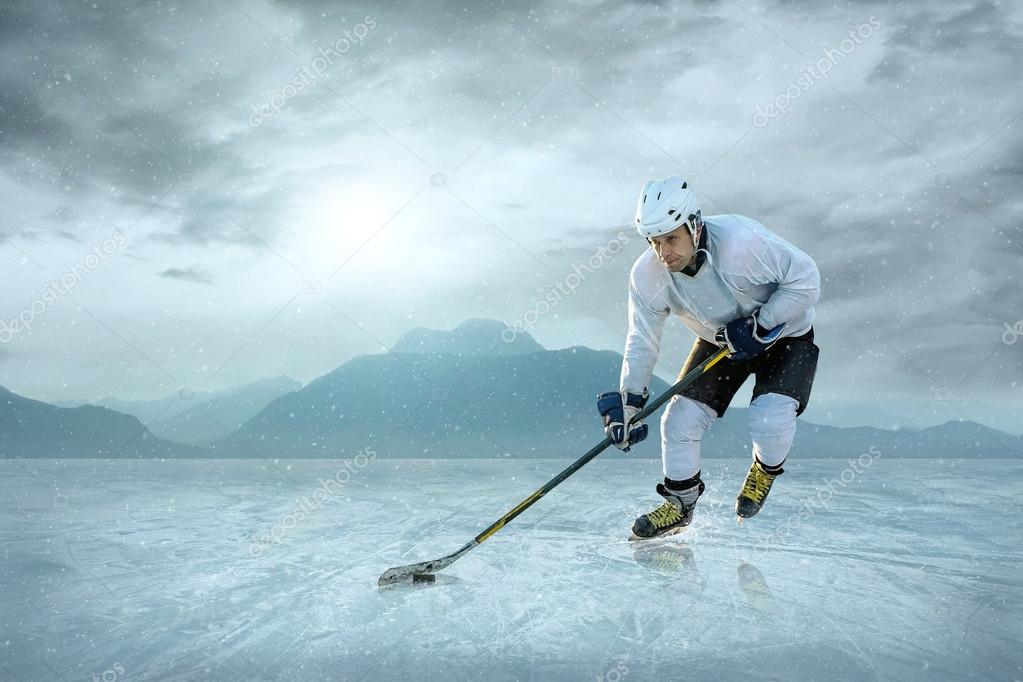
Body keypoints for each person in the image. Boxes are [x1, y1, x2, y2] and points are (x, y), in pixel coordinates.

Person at [597, 175, 821, 539]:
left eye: (672, 238)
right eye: (654, 242)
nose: (663, 252)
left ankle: (764, 469)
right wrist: (630, 402)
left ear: (695, 225)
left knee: (770, 418)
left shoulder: (743, 242)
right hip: (722, 342)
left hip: (787, 335)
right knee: (679, 420)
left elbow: (806, 279)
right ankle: (679, 505)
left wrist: (762, 323)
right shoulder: (647, 276)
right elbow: (642, 338)